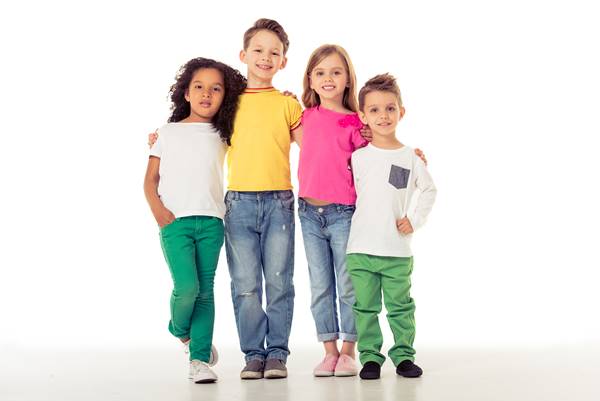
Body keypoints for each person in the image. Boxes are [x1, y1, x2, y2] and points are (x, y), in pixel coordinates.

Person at [143, 57, 246, 383]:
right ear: (185, 93)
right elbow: (150, 180)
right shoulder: (167, 132)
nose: (206, 94)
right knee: (187, 287)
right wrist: (159, 212)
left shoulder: (225, 133)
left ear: (224, 96)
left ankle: (199, 358)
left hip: (213, 222)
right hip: (176, 223)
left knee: (205, 292)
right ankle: (178, 328)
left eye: (215, 89)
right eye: (199, 87)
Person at [346, 73, 437, 380]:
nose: (382, 116)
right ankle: (370, 357)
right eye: (374, 110)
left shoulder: (411, 158)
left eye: (389, 108)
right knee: (365, 308)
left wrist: (415, 219)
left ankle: (403, 355)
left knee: (400, 307)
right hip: (360, 249)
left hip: (397, 250)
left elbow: (429, 190)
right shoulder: (357, 158)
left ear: (401, 111)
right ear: (363, 116)